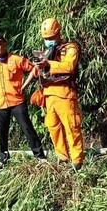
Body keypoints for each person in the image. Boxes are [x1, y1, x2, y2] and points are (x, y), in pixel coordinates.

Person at [0, 32, 46, 167]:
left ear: (4, 44)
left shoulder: (16, 59)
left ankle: (40, 156)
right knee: (2, 131)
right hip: (0, 103)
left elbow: (34, 68)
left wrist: (25, 85)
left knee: (27, 128)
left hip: (17, 101)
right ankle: (2, 157)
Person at [30, 18, 85, 170]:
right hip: (48, 95)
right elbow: (36, 71)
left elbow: (68, 66)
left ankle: (77, 161)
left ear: (58, 34)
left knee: (71, 127)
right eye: (45, 39)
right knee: (53, 127)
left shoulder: (70, 48)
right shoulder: (46, 52)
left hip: (65, 94)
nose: (48, 41)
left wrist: (48, 64)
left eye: (50, 38)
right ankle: (62, 156)